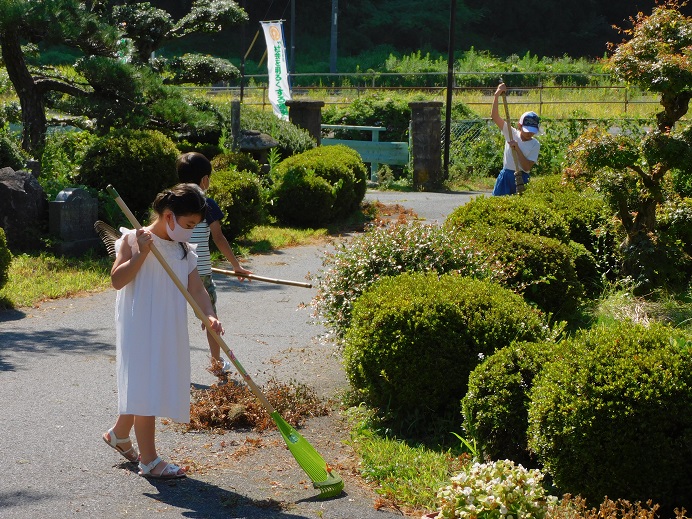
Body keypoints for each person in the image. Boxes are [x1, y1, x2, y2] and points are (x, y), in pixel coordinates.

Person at [102, 183, 224, 479]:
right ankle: (150, 460)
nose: (192, 231)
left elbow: (196, 288)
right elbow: (118, 280)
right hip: (140, 323)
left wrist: (209, 314)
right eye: (189, 224)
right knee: (146, 386)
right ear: (169, 216)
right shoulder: (133, 239)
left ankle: (119, 434)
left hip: (167, 324)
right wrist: (141, 252)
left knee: (149, 380)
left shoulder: (183, 249)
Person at [176, 151, 253, 378]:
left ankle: (170, 367)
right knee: (211, 319)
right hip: (200, 274)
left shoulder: (172, 202)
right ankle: (217, 363)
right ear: (205, 180)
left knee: (173, 318)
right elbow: (218, 238)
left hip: (174, 271)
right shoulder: (206, 203)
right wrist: (236, 265)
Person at [490, 82, 541, 196]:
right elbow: (494, 116)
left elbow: (526, 167)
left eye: (532, 131)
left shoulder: (535, 144)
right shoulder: (511, 132)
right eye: (527, 130)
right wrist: (497, 95)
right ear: (520, 126)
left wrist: (517, 148)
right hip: (506, 176)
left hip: (522, 177)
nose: (529, 134)